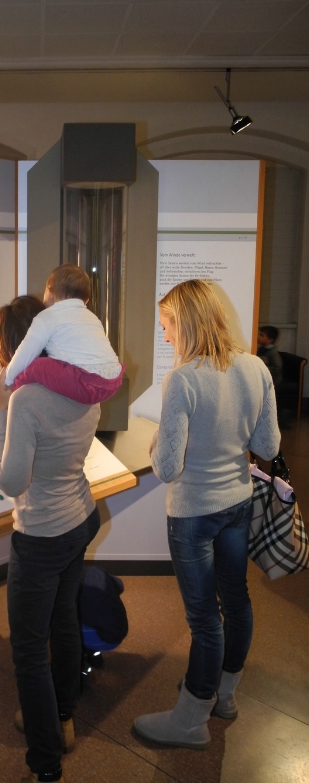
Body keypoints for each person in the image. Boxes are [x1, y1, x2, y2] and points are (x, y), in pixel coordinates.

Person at [133, 280, 280, 750]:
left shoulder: (183, 379)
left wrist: (159, 439)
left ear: (187, 322)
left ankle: (191, 718)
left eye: (167, 326)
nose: (166, 336)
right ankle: (225, 695)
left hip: (193, 513)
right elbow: (268, 445)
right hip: (237, 503)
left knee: (204, 619)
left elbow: (167, 468)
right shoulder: (255, 367)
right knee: (236, 602)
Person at [0, 295, 102, 783]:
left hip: (42, 534)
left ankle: (46, 764)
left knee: (29, 652)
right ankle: (63, 718)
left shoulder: (26, 399)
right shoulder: (85, 378)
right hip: (81, 517)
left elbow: (10, 481)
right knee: (64, 620)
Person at [4, 264, 124, 405]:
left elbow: (26, 352)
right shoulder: (93, 318)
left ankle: (12, 390)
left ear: (49, 292)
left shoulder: (46, 316)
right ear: (86, 301)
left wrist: (8, 379)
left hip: (86, 383)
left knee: (36, 365)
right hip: (113, 380)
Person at [257, 325, 283, 389]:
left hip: (272, 380)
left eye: (261, 335)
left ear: (270, 340)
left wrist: (263, 368)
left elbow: (276, 368)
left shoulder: (273, 353)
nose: (258, 337)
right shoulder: (261, 349)